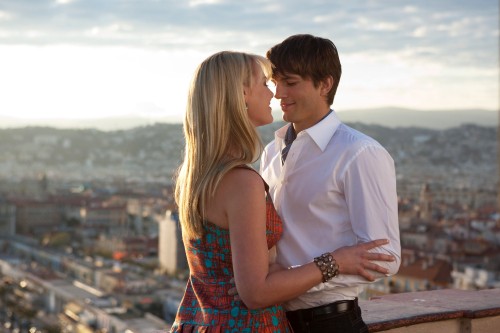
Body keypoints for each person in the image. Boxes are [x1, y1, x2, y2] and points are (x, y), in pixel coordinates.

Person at [170, 50, 396, 332]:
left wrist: (274, 273)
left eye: (284, 83)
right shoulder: (243, 180)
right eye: (265, 84)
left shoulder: (196, 175)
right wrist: (335, 262)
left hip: (203, 321)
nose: (273, 94)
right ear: (241, 95)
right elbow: (256, 292)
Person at [259, 34, 402, 333]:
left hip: (329, 321)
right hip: (273, 320)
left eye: (291, 82)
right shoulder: (272, 151)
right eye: (276, 83)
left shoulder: (360, 153)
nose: (278, 93)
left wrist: (302, 278)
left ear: (325, 84)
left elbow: (385, 259)